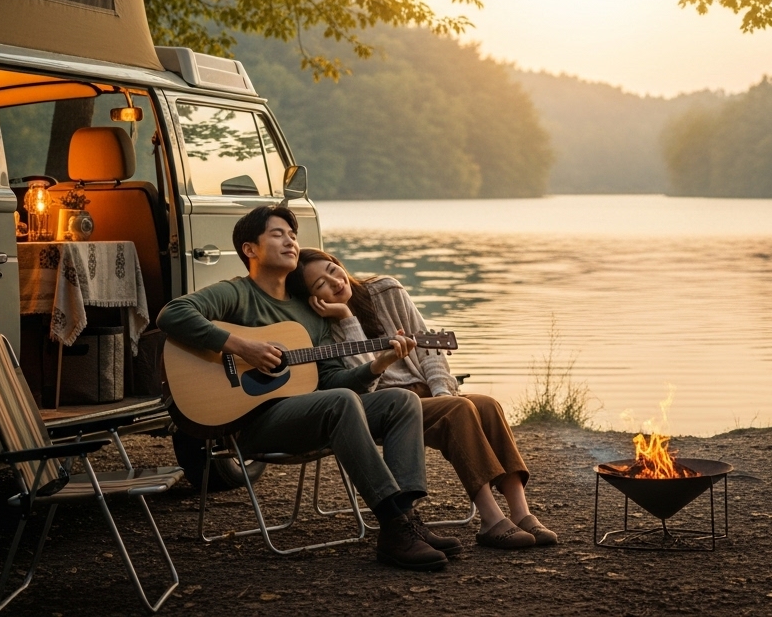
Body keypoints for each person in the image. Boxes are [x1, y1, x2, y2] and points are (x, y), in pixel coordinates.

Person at [156, 205, 459, 571]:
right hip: (252, 423)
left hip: (306, 415)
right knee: (342, 402)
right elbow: (172, 314)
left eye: (293, 235)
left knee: (401, 400)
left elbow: (329, 380)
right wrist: (241, 345)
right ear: (250, 249)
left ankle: (406, 521)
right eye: (278, 234)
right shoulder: (236, 294)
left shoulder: (308, 313)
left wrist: (378, 364)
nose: (291, 241)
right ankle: (394, 526)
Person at [288, 248, 559, 550]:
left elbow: (429, 349)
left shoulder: (386, 290)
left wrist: (443, 392)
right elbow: (366, 386)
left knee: (486, 405)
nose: (335, 281)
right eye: (321, 284)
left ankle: (521, 513)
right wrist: (347, 317)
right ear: (313, 299)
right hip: (389, 406)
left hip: (429, 394)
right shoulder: (326, 329)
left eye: (332, 269)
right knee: (459, 409)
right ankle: (492, 520)